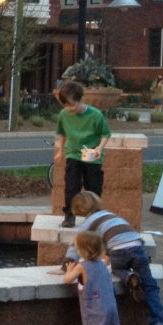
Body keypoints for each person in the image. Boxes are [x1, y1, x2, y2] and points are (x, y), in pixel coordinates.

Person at [66, 191, 163, 325]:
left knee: (113, 267)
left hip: (118, 251)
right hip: (137, 245)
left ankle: (128, 277)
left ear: (79, 210)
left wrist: (68, 262)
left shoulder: (88, 223)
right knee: (150, 285)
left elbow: (76, 244)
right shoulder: (111, 215)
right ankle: (159, 323)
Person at [62, 230, 123, 325]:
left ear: (82, 250)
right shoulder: (102, 264)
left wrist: (69, 269)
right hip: (111, 305)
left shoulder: (82, 266)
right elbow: (106, 260)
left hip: (96, 307)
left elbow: (67, 280)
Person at [54, 80, 111, 228]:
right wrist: (60, 149)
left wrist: (99, 148)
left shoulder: (96, 115)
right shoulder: (63, 115)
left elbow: (105, 134)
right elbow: (61, 133)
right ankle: (69, 215)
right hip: (73, 154)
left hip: (92, 156)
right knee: (71, 186)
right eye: (65, 105)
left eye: (72, 104)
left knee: (93, 187)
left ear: (80, 100)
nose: (69, 108)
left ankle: (95, 216)